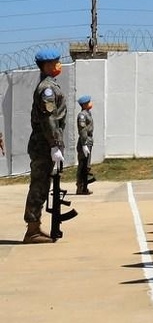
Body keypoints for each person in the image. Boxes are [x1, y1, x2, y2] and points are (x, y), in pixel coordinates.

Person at [23, 48, 67, 244]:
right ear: (48, 65)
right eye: (57, 62)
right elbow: (49, 119)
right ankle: (32, 230)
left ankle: (35, 227)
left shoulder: (49, 86)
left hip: (44, 144)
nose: (59, 65)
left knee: (43, 184)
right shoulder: (47, 89)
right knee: (39, 185)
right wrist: (54, 144)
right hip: (43, 144)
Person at [75, 95, 96, 195]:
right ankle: (80, 187)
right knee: (82, 165)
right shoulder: (82, 115)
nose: (90, 103)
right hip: (85, 141)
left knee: (86, 166)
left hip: (88, 140)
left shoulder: (88, 113)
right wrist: (84, 144)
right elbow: (82, 130)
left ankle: (85, 187)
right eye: (88, 102)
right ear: (84, 104)